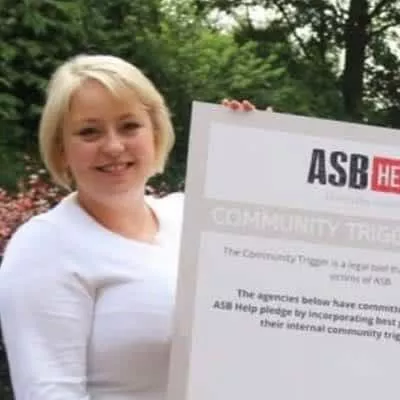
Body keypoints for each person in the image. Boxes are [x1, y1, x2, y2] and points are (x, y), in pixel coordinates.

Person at [0, 54, 256, 400]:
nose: (114, 146)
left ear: (155, 133)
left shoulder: (190, 216)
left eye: (129, 126)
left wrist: (259, 147)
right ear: (61, 150)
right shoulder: (44, 247)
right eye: (89, 132)